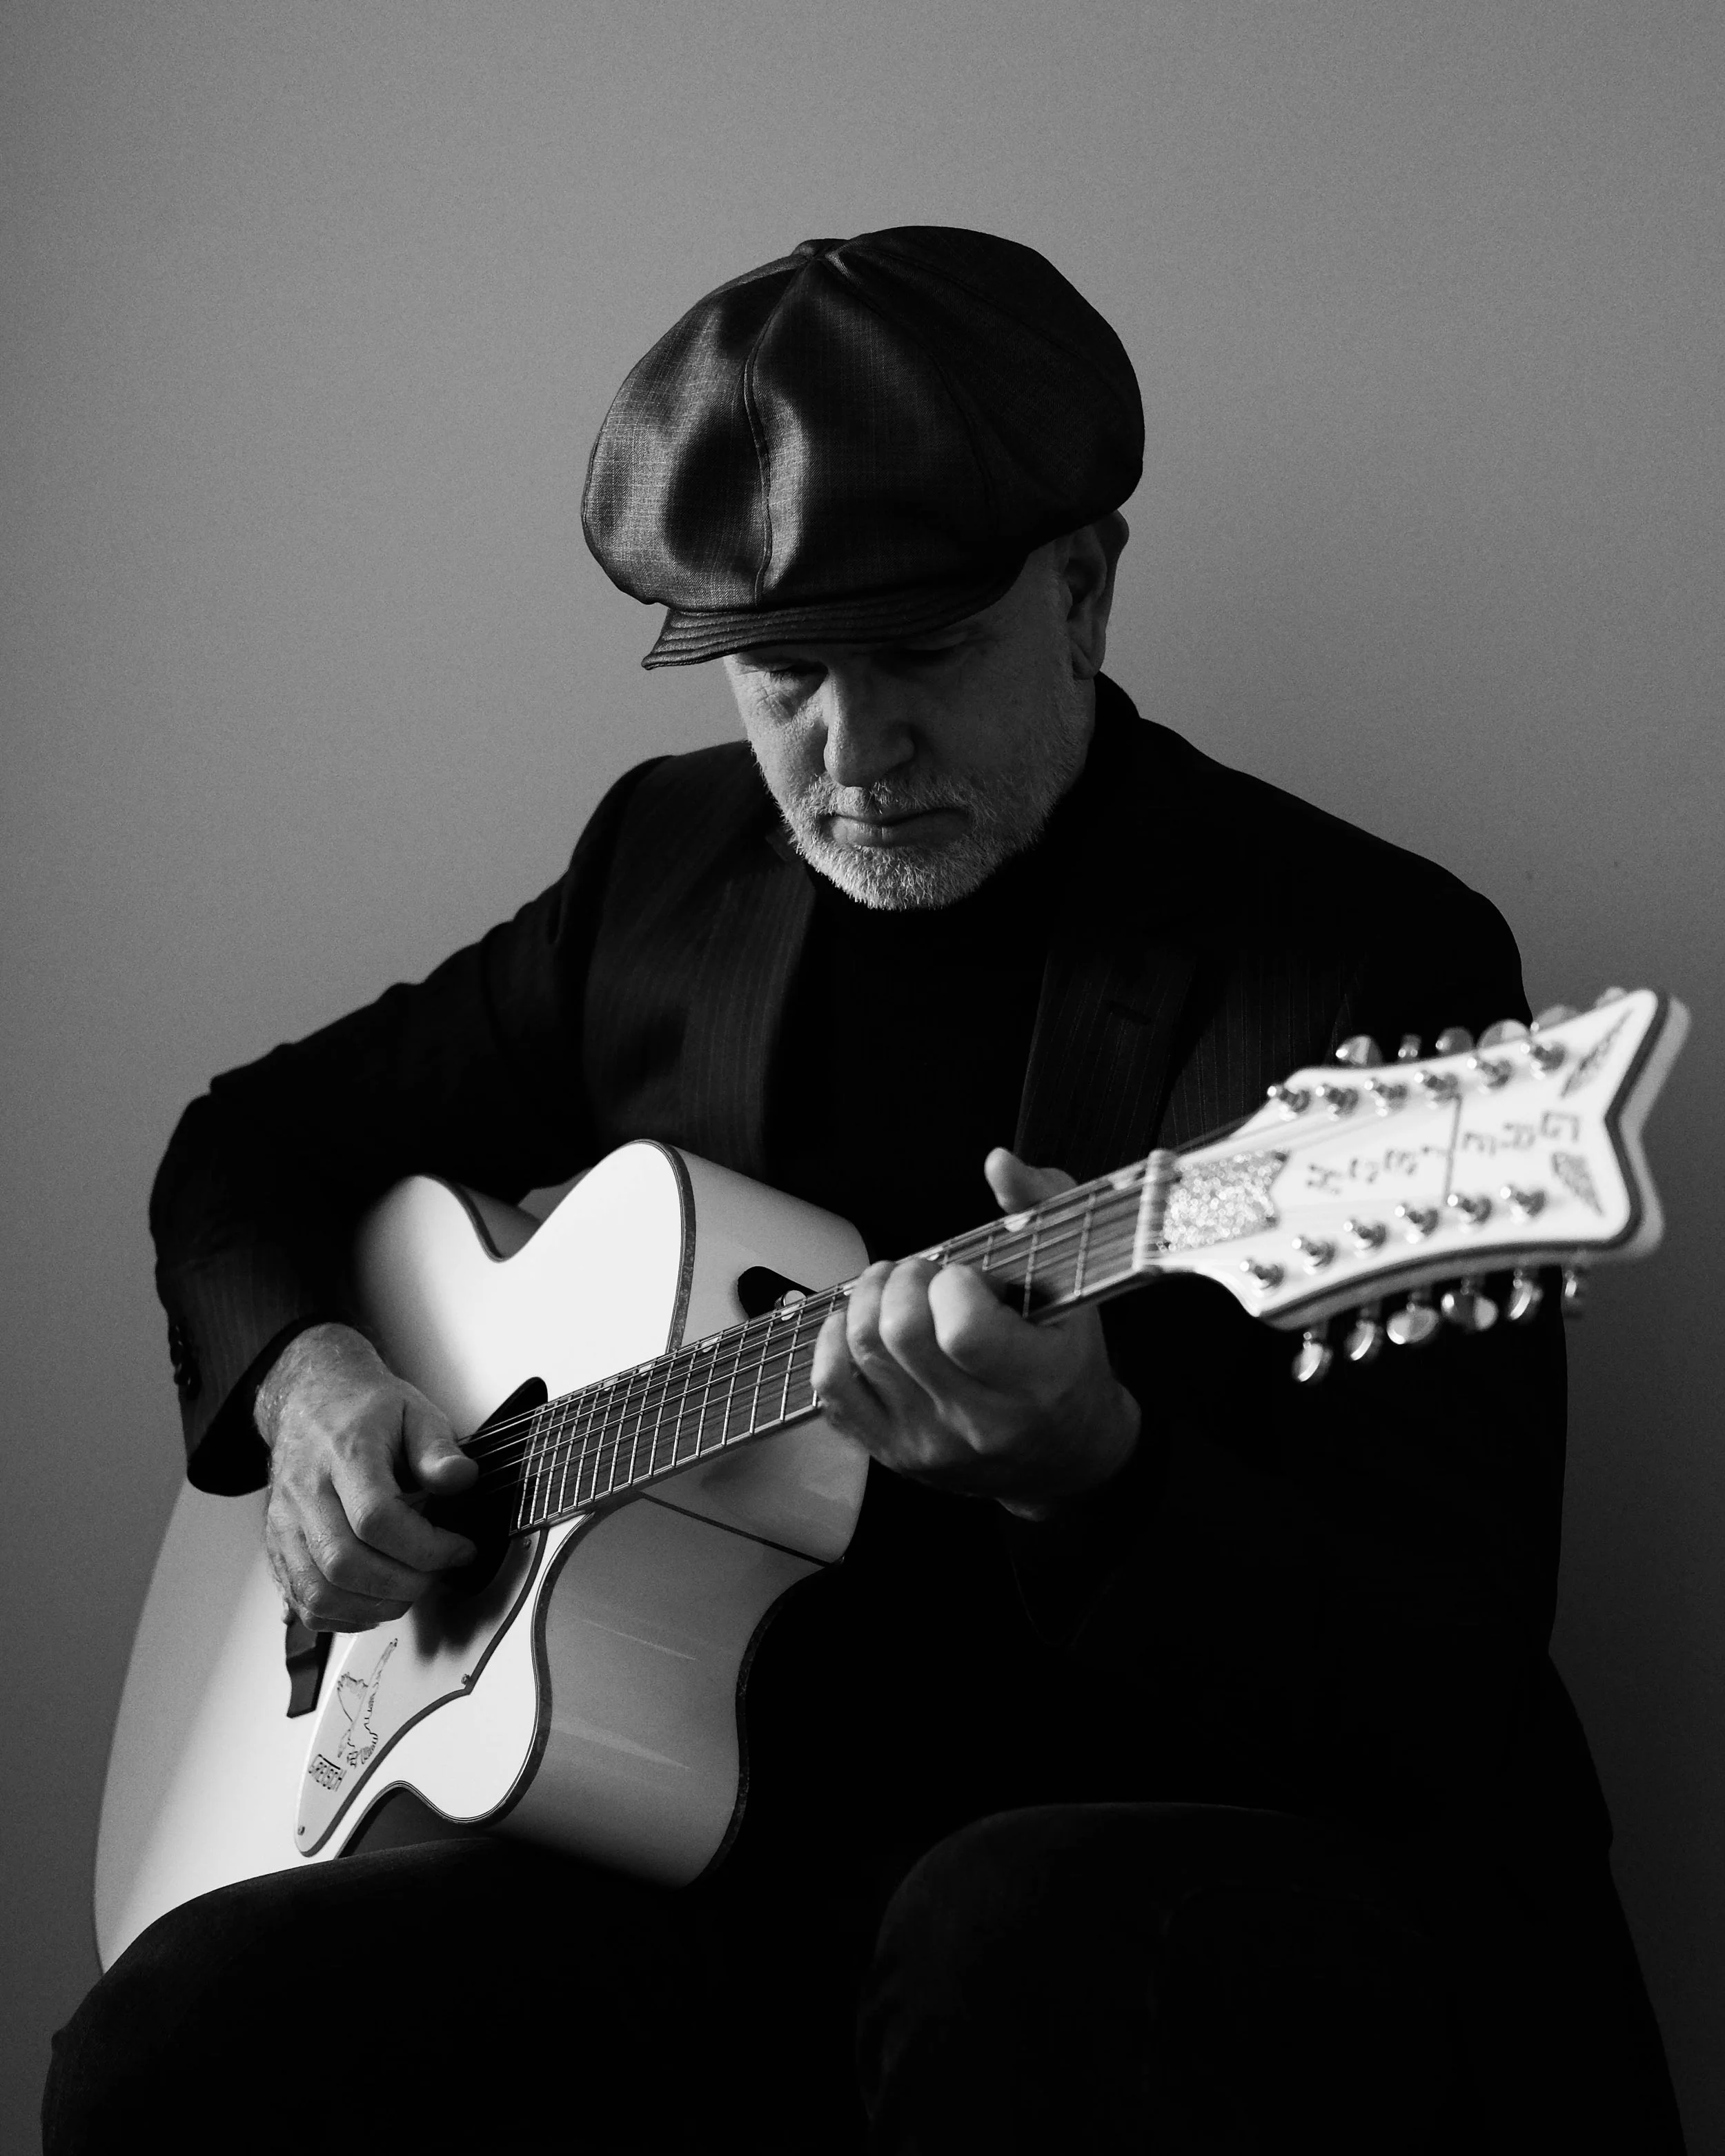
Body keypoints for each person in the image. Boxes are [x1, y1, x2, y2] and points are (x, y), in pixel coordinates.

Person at [47, 228, 1684, 2153]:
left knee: (1000, 1931)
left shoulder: (1352, 970)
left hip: (1154, 1868)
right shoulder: (662, 872)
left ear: (1080, 591)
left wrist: (1096, 1475)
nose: (850, 750)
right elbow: (248, 1144)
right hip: (708, 1853)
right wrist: (315, 1387)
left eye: (918, 657)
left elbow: (1448, 1664)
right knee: (181, 2037)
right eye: (781, 678)